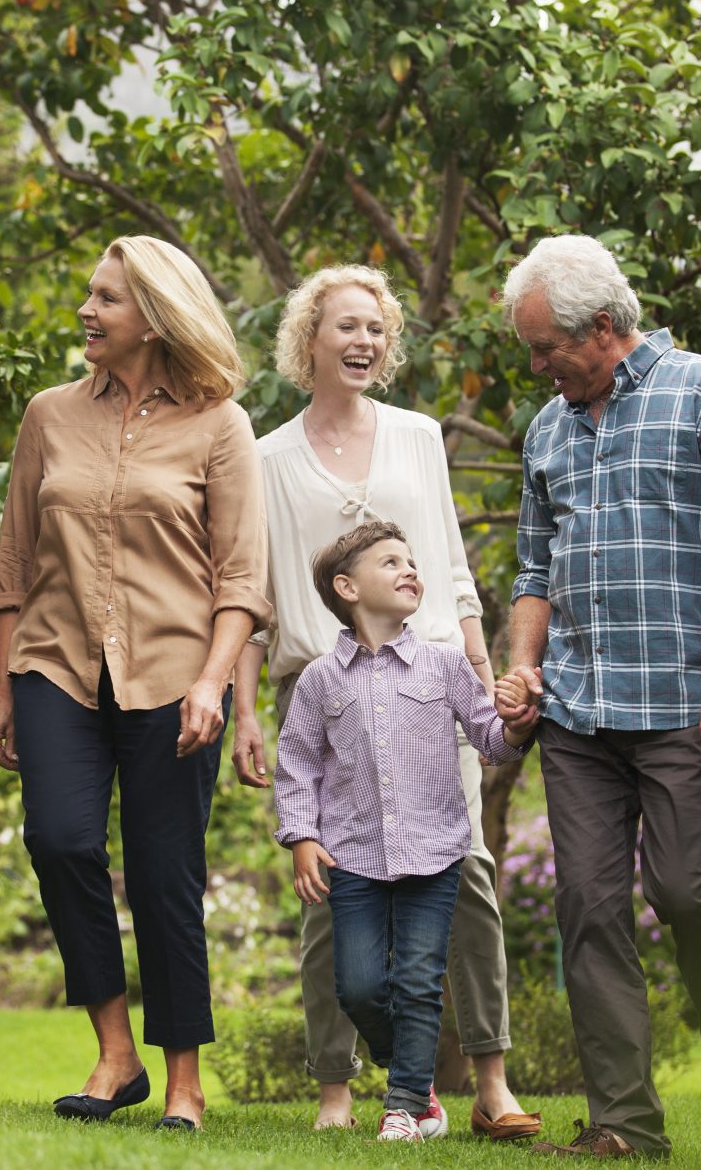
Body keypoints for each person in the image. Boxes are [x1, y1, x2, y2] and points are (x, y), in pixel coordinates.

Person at [490, 234, 701, 1161]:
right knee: (587, 903)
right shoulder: (548, 429)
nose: (537, 368)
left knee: (689, 890)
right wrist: (525, 667)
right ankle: (624, 1121)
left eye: (545, 349)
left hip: (683, 703)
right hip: (577, 711)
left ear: (605, 328)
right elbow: (534, 570)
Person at [230, 265, 541, 1142]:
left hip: (430, 682)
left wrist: (483, 676)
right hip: (319, 688)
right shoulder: (268, 456)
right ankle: (337, 1086)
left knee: (469, 874)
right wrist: (248, 710)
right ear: (309, 340)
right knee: (331, 890)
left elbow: (449, 570)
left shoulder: (417, 437)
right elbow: (254, 598)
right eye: (346, 327)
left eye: (377, 328)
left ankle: (490, 1079)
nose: (363, 341)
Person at [0, 235, 271, 1132]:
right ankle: (115, 1051)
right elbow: (15, 563)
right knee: (61, 840)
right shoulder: (49, 414)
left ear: (154, 313)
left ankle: (183, 1078)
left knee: (163, 872)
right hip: (56, 662)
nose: (86, 312)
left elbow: (241, 578)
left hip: (178, 673)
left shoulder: (219, 423)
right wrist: (2, 690)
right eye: (89, 295)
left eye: (105, 299)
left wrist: (215, 682)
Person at [274, 521, 536, 1144]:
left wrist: (517, 722)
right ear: (348, 587)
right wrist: (301, 837)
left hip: (435, 853)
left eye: (412, 561)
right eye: (391, 562)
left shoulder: (445, 665)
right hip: (354, 858)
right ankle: (415, 1080)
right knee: (360, 987)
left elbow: (492, 742)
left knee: (419, 980)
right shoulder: (319, 680)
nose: (410, 570)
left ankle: (406, 1106)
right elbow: (298, 764)